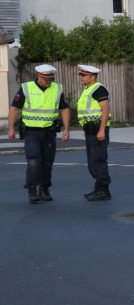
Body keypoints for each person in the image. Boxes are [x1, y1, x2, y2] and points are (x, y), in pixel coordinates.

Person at [7, 64, 70, 203]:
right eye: (46, 79)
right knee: (34, 161)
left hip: (49, 132)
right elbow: (14, 109)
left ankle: (44, 188)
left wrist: (66, 129)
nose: (49, 82)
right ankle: (32, 188)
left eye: (51, 79)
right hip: (31, 132)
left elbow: (64, 109)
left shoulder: (57, 88)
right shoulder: (26, 88)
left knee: (47, 163)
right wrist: (11, 128)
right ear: (39, 76)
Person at [77, 64, 112, 201]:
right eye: (80, 75)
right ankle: (99, 188)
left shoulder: (99, 89)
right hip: (91, 130)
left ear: (93, 76)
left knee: (98, 160)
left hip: (98, 130)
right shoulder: (88, 89)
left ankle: (104, 190)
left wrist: (102, 130)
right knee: (93, 162)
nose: (81, 78)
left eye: (83, 75)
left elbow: (105, 110)